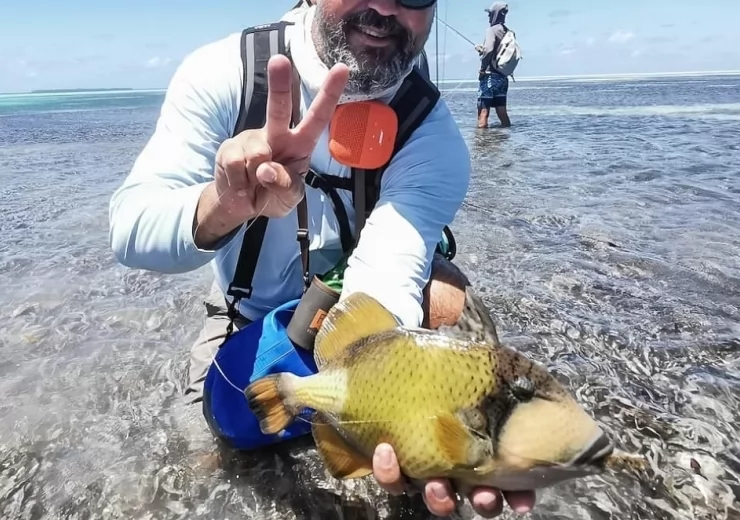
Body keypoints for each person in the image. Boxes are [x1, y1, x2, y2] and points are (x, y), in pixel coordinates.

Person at [108, 0, 535, 517]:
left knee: (447, 301)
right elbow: (130, 230)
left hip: (349, 315)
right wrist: (223, 206)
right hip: (246, 314)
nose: (383, 8)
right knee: (211, 455)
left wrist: (393, 408)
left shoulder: (430, 131)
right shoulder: (229, 73)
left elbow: (388, 270)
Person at [475, 2, 512, 128]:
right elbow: (497, 51)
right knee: (502, 112)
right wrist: (483, 49)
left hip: (489, 76)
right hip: (502, 78)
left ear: (495, 14)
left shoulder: (491, 30)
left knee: (483, 112)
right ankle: (507, 138)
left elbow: (489, 50)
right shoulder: (508, 32)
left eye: (490, 14)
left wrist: (482, 70)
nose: (489, 17)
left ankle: (481, 143)